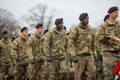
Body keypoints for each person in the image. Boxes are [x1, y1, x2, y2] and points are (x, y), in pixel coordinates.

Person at [68, 13, 96, 80]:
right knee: (78, 75)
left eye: (88, 18)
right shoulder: (75, 29)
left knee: (92, 74)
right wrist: (73, 55)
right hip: (79, 56)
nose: (87, 20)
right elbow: (70, 43)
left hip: (89, 56)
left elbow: (93, 43)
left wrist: (95, 54)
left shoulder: (90, 29)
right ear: (81, 20)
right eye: (85, 18)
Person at [96, 6, 120, 80]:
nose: (117, 14)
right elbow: (97, 38)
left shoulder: (118, 24)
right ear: (109, 14)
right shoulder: (104, 25)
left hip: (118, 53)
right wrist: (104, 38)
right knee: (109, 76)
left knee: (118, 76)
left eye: (117, 12)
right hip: (109, 54)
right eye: (115, 12)